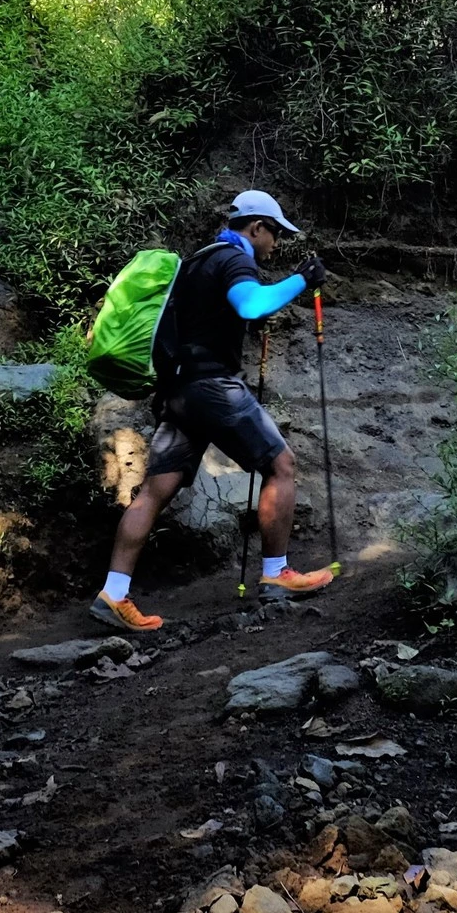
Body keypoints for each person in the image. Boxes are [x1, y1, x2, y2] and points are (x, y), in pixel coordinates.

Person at [93, 189, 334, 631]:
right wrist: (302, 279)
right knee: (281, 463)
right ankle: (278, 573)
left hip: (177, 392)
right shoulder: (233, 260)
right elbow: (252, 303)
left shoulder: (198, 261)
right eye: (274, 233)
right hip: (212, 388)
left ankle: (113, 593)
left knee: (154, 491)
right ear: (256, 227)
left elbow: (216, 316)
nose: (276, 243)